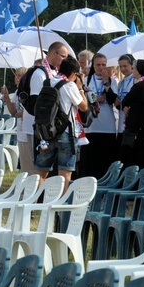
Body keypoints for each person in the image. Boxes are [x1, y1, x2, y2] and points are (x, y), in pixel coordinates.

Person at [32, 56, 87, 191]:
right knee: (65, 173)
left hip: (46, 132)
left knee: (41, 172)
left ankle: (32, 205)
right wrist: (81, 88)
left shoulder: (47, 82)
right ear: (74, 74)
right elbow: (84, 107)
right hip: (66, 133)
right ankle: (59, 209)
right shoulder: (70, 85)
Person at [21, 41, 70, 174]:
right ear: (54, 53)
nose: (65, 60)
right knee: (38, 167)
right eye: (63, 56)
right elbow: (39, 104)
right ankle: (36, 194)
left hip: (52, 128)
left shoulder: (55, 73)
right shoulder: (40, 74)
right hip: (41, 127)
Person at [81, 53, 118, 178]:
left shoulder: (113, 81)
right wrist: (95, 97)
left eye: (104, 65)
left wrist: (107, 82)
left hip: (107, 126)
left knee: (105, 161)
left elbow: (114, 100)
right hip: (91, 126)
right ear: (93, 65)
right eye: (98, 65)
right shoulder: (86, 80)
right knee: (90, 161)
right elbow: (81, 98)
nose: (101, 68)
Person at [120, 59, 144, 169]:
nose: (132, 71)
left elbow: (126, 100)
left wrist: (127, 106)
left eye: (134, 69)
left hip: (135, 128)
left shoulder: (139, 86)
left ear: (139, 70)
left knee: (132, 158)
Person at [1, 67, 28, 172]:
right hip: (20, 129)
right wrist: (7, 98)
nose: (17, 78)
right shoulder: (17, 92)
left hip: (28, 129)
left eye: (19, 76)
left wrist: (23, 112)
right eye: (16, 75)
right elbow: (13, 112)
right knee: (23, 159)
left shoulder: (28, 90)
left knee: (28, 158)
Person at [114, 54, 135, 145]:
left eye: (125, 66)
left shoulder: (136, 80)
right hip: (122, 119)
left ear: (132, 65)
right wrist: (117, 103)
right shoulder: (121, 82)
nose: (122, 69)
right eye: (120, 66)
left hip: (132, 119)